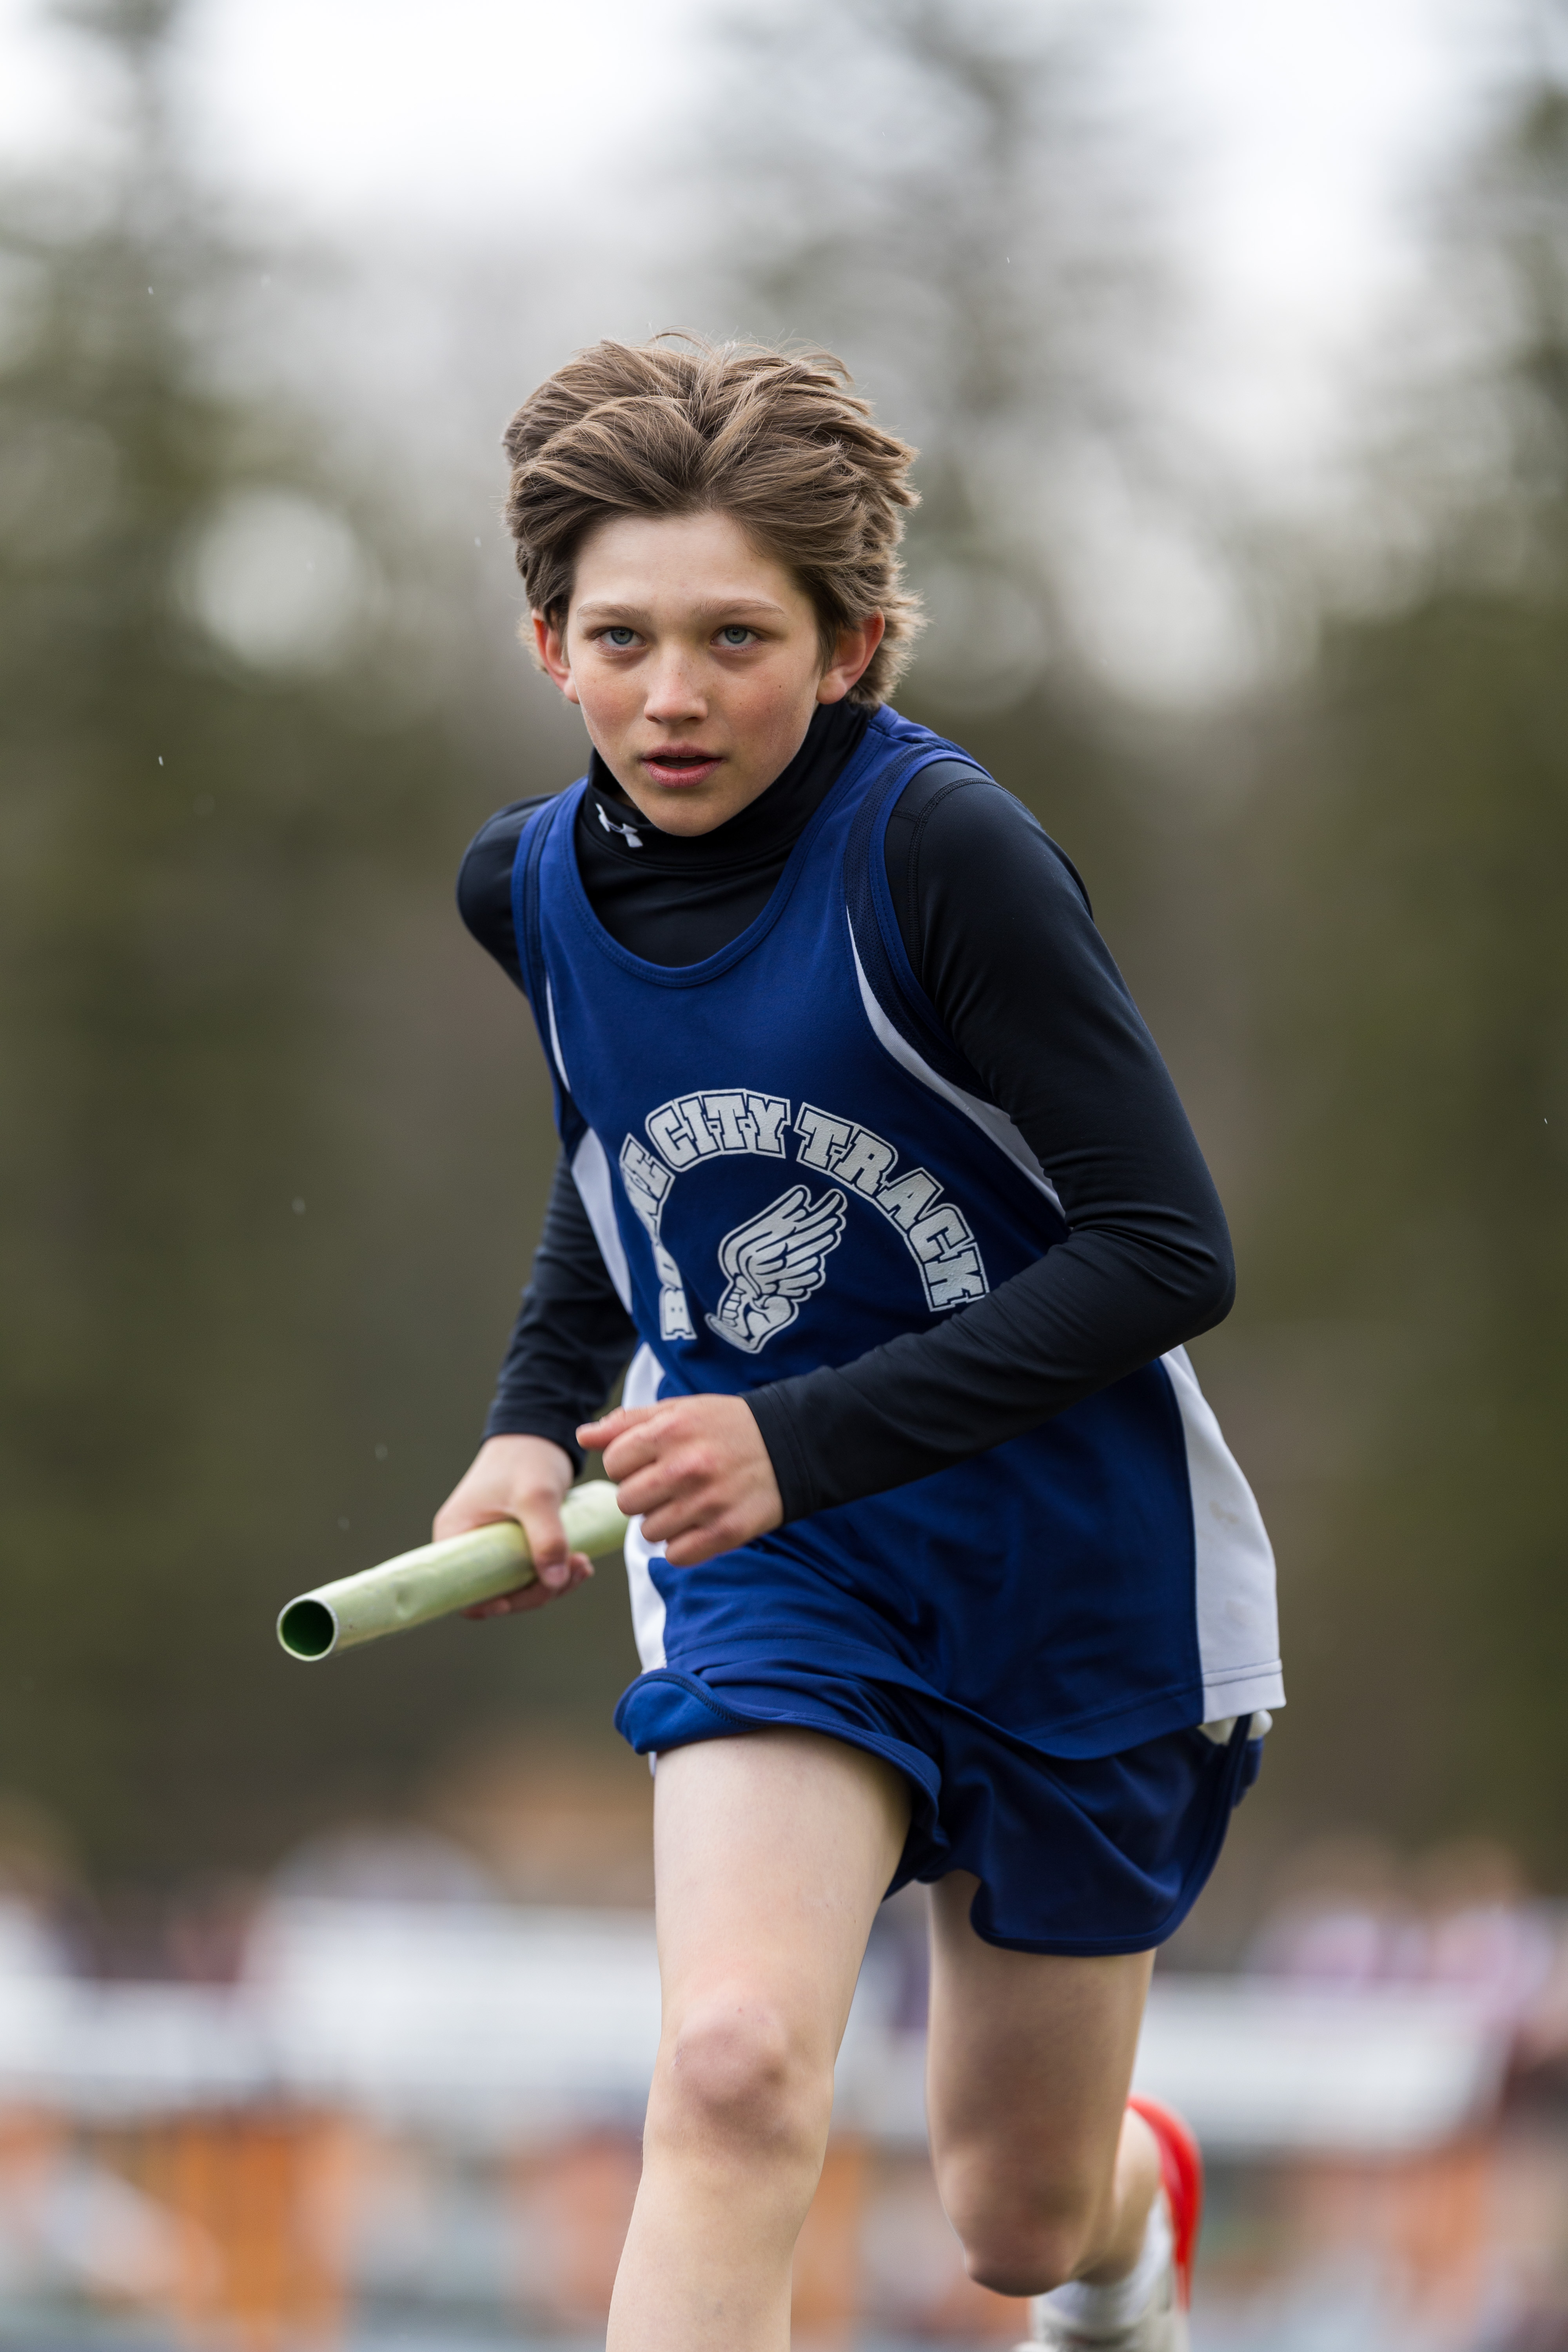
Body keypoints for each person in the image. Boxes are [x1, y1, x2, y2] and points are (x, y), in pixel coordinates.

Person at [436, 334, 1282, 2352]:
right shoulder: (526, 889)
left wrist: (794, 1437)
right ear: (549, 647)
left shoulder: (940, 853)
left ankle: (1130, 2215)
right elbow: (621, 1157)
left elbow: (1168, 1253)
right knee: (731, 2067)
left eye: (735, 638)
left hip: (1075, 1566)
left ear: (850, 647)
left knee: (1015, 2219)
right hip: (782, 1566)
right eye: (622, 639)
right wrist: (534, 1423)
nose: (672, 694)